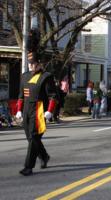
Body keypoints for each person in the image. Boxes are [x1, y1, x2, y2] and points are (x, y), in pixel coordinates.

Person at [15, 29, 57, 176]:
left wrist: (49, 111)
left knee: (33, 138)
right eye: (30, 63)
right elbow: (20, 95)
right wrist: (18, 110)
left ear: (39, 63)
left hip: (39, 110)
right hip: (26, 110)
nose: (31, 66)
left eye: (34, 63)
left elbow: (53, 96)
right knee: (31, 139)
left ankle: (28, 166)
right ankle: (44, 156)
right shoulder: (24, 76)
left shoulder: (46, 76)